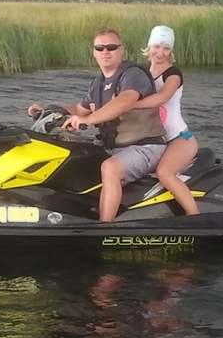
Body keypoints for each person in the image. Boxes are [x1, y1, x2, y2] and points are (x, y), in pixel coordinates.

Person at [27, 28, 165, 222]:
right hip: (112, 147)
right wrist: (48, 109)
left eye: (111, 47)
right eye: (100, 48)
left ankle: (103, 227)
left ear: (121, 50)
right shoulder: (98, 83)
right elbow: (79, 109)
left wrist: (89, 120)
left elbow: (125, 101)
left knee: (110, 168)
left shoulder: (133, 74)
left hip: (145, 146)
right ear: (94, 52)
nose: (105, 52)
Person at [133, 25, 200, 215]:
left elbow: (161, 98)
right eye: (157, 46)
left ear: (171, 51)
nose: (160, 53)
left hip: (179, 139)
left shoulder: (173, 74)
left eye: (166, 48)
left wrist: (129, 105)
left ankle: (195, 218)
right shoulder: (142, 74)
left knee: (164, 173)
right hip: (153, 139)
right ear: (149, 47)